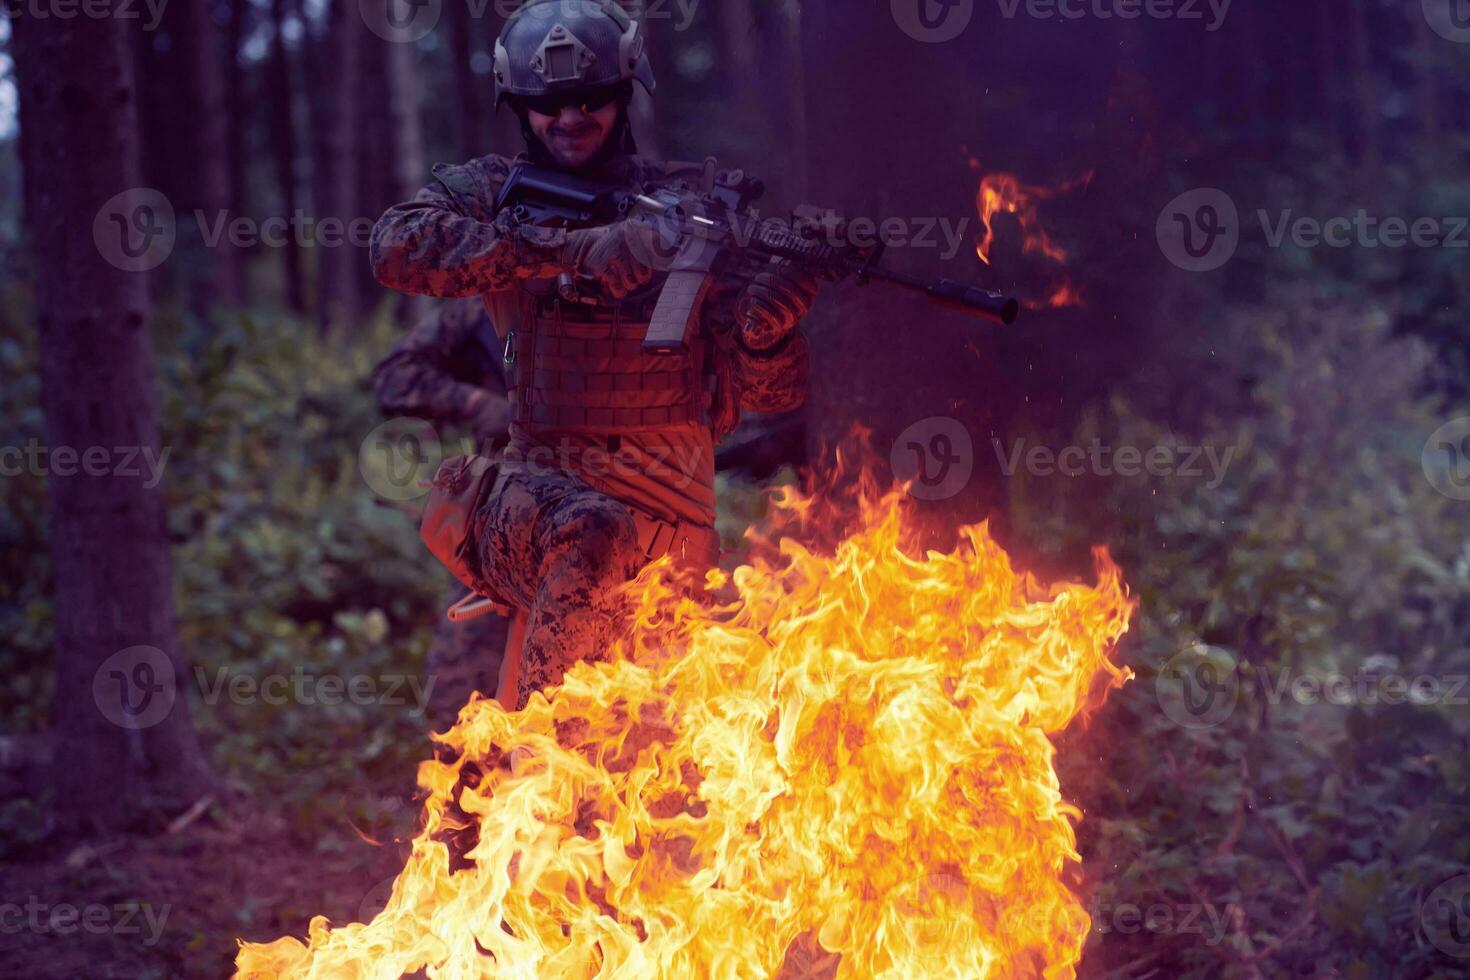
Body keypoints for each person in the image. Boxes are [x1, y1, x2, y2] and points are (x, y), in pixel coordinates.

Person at [370, 0, 821, 709]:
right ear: (518, 107)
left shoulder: (691, 212)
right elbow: (396, 247)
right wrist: (571, 250)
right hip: (540, 504)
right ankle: (550, 766)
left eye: (591, 99)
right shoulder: (492, 190)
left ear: (624, 93)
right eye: (547, 105)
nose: (570, 118)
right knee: (589, 552)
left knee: (660, 769)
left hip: (673, 524)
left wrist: (768, 332)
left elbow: (769, 394)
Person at [372, 297, 513, 729]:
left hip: (617, 506)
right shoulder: (490, 304)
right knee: (464, 686)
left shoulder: (632, 285)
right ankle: (468, 787)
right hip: (503, 515)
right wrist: (475, 402)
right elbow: (395, 379)